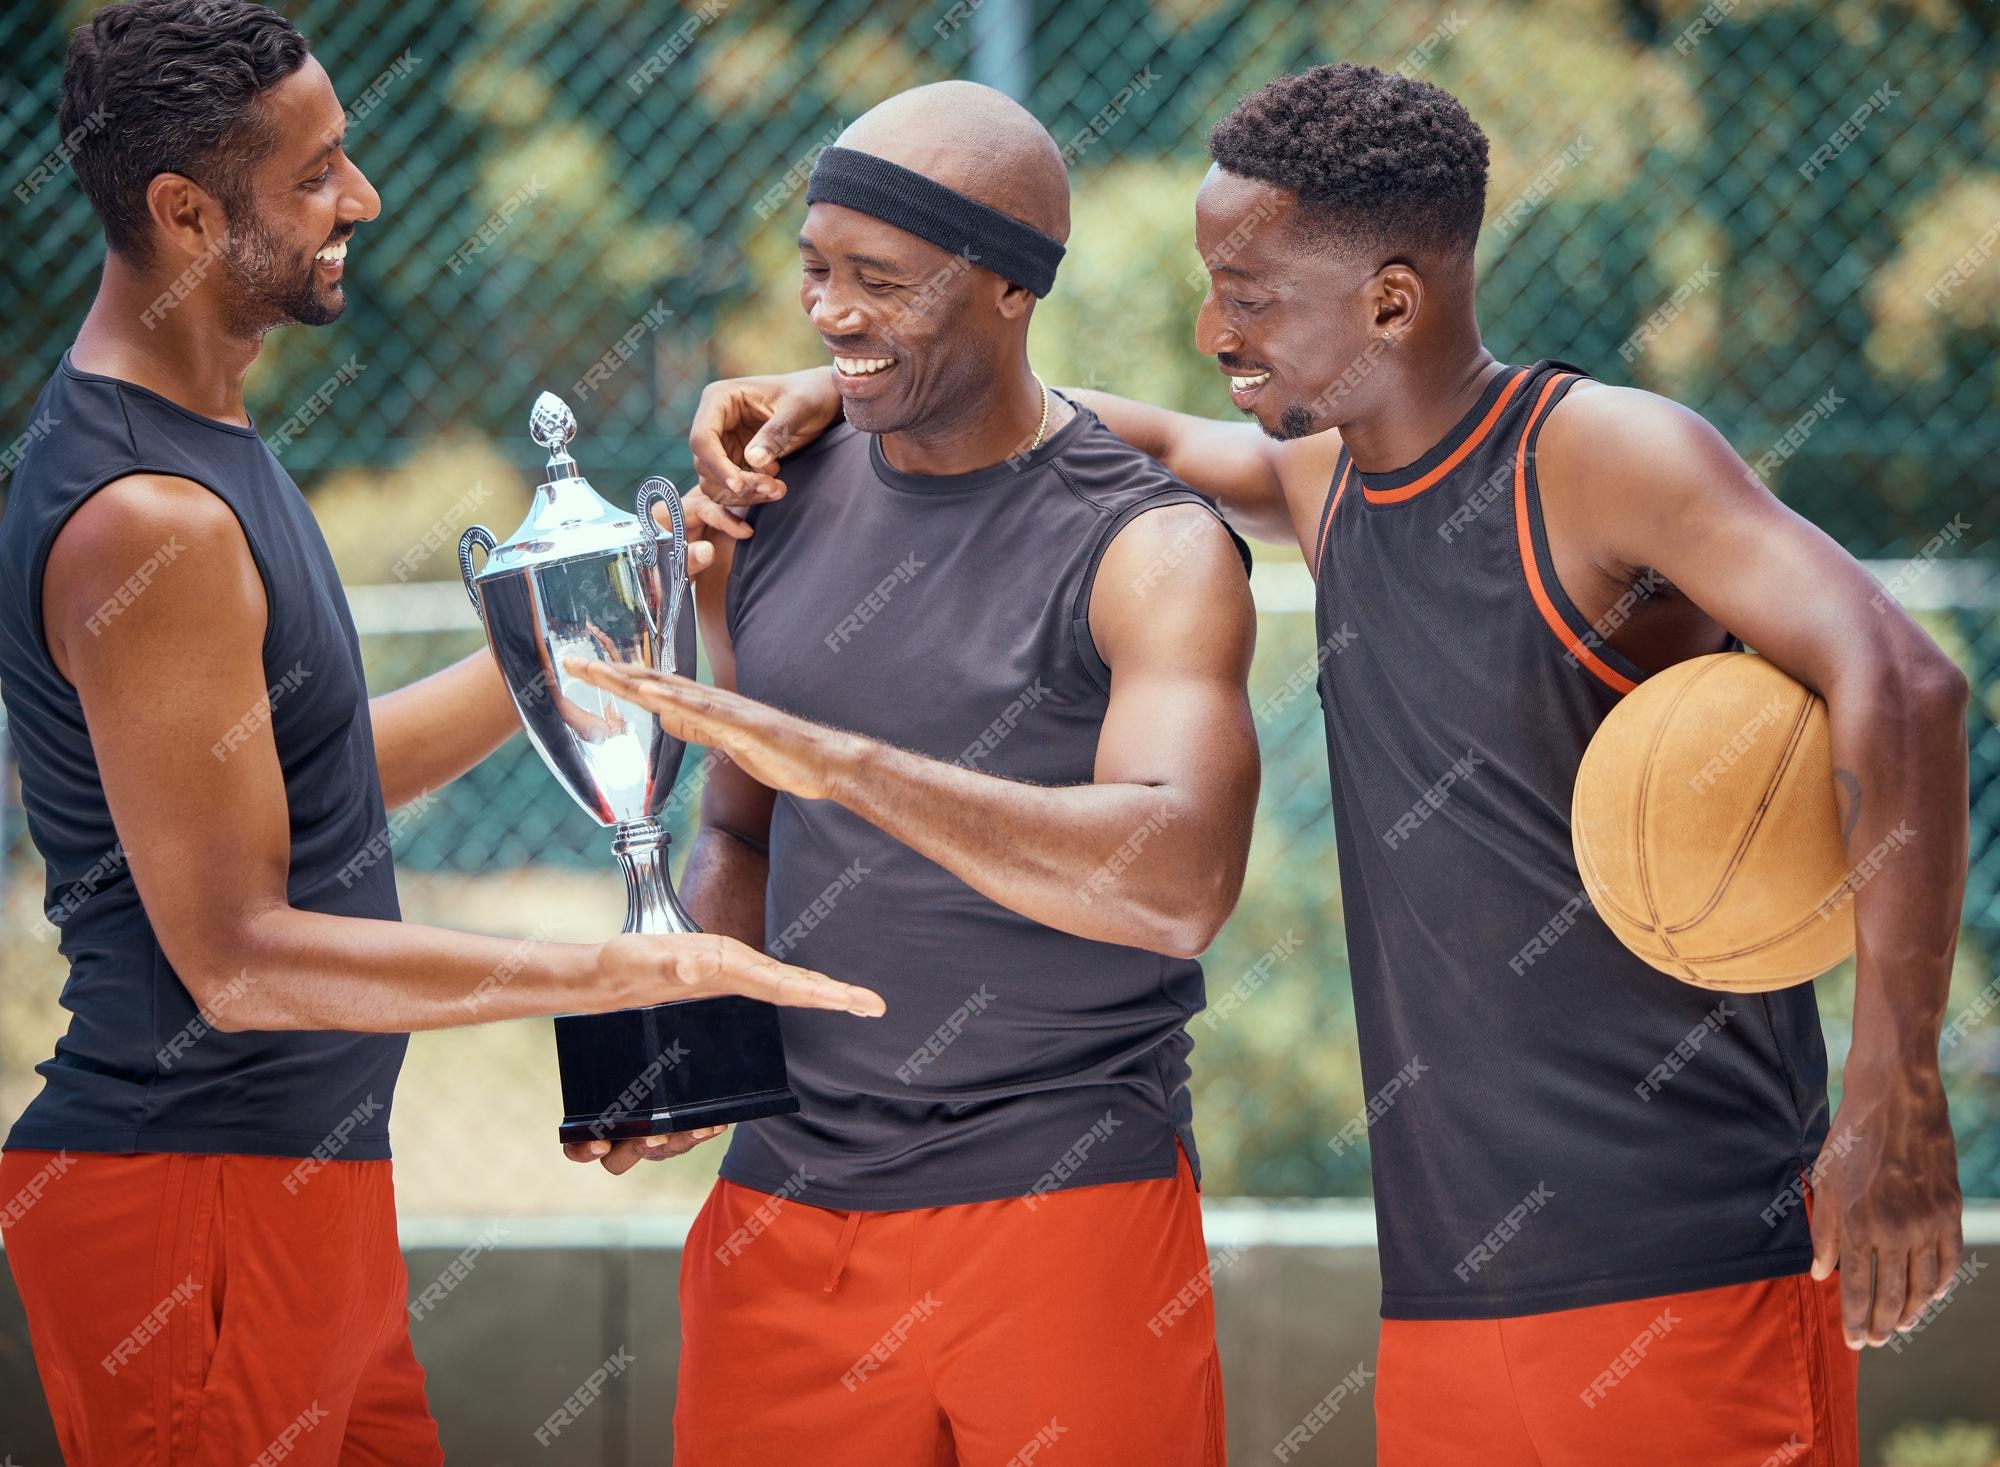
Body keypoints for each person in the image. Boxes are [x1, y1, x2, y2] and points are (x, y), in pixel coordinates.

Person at [685, 62, 1970, 1467]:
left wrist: (1896, 1093)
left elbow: (1904, 679)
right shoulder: (1327, 477)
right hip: (1447, 1292)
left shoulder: (1603, 456)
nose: (1209, 324)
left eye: (1247, 291)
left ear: (1393, 301)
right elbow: (1083, 423)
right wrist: (846, 371)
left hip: (1697, 1249)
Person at [0, 4, 880, 1460]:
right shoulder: (140, 517)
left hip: (301, 1196)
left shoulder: (209, 443)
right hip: (186, 1213)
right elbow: (238, 956)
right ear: (180, 211)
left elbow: (325, 780)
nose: (364, 198)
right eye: (316, 172)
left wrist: (604, 622)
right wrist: (605, 972)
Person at [565, 80, 1259, 1466]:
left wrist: (844, 762)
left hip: (1065, 1210)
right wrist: (682, 1022)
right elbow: (742, 835)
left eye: (879, 280)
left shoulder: (1149, 547)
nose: (830, 314)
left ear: (1010, 286)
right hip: (790, 1216)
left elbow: (1176, 882)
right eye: (817, 270)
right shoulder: (769, 502)